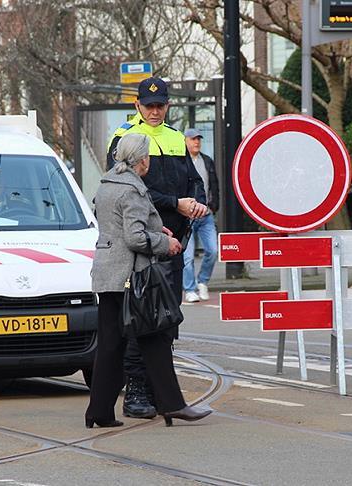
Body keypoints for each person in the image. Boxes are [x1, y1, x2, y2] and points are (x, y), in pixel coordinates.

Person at [86, 133, 211, 428]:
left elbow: (114, 225)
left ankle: (99, 412)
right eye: (148, 158)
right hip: (133, 277)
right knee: (156, 335)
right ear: (143, 160)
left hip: (108, 275)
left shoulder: (107, 185)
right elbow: (134, 237)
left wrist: (158, 230)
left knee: (110, 346)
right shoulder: (133, 190)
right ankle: (173, 406)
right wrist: (163, 242)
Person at [106, 77, 207, 419]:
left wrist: (199, 203)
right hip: (144, 245)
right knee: (142, 319)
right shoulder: (125, 139)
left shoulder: (177, 138)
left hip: (174, 245)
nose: (154, 110)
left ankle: (157, 392)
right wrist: (177, 203)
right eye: (148, 105)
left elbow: (194, 181)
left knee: (165, 321)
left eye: (160, 105)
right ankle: (136, 392)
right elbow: (129, 188)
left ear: (167, 106)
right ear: (137, 106)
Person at [181, 128, 219, 303]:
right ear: (185, 141)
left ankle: (202, 281)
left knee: (213, 250)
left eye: (198, 139)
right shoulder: (180, 162)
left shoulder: (207, 161)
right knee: (187, 256)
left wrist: (213, 206)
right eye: (193, 139)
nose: (196, 142)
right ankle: (189, 289)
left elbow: (214, 185)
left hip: (206, 215)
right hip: (187, 216)